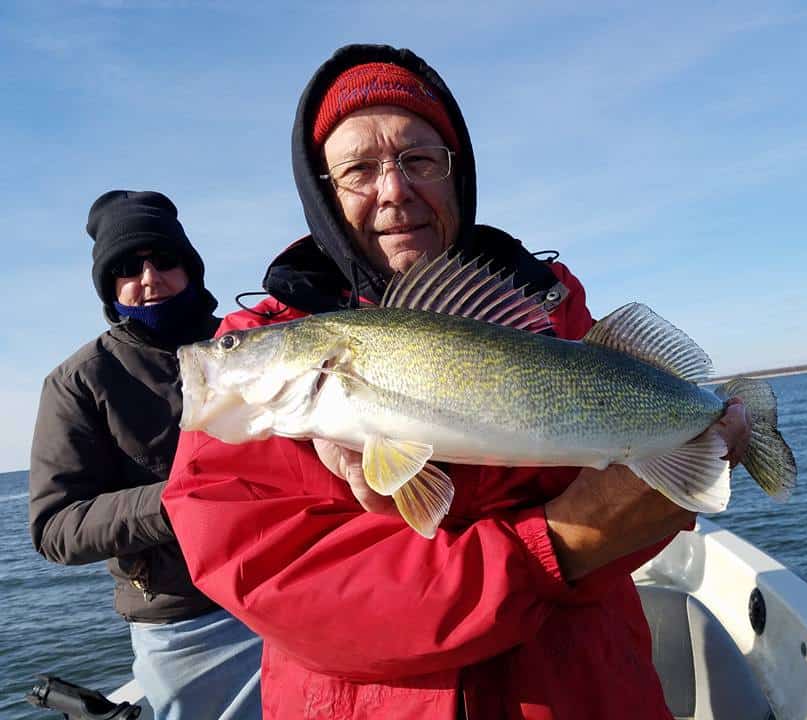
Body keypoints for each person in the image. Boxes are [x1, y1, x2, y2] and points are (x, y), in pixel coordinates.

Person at [162, 44, 751, 720]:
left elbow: (642, 513)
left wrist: (687, 462)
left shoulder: (552, 309)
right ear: (322, 193)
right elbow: (286, 589)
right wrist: (562, 541)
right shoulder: (256, 374)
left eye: (419, 160)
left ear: (456, 173)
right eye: (358, 169)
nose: (394, 190)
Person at [29, 190, 263, 720]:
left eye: (164, 260)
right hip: (187, 621)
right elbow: (55, 528)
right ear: (109, 286)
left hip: (294, 578)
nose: (150, 279)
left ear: (190, 268)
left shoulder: (252, 339)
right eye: (127, 269)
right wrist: (183, 498)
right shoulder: (79, 382)